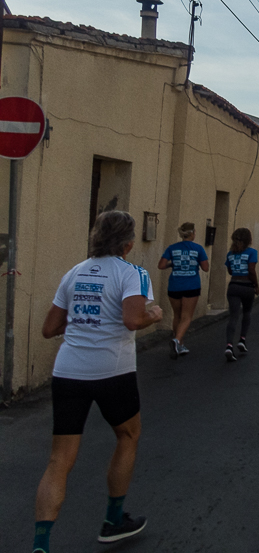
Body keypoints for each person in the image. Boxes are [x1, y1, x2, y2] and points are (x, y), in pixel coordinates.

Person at [32, 211, 163, 552]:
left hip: (69, 370)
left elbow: (49, 329)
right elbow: (133, 320)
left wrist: (81, 319)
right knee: (128, 435)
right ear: (129, 243)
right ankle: (113, 519)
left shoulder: (74, 272)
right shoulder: (133, 273)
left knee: (59, 460)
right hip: (112, 370)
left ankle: (41, 545)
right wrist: (154, 316)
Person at [157, 222, 209, 359]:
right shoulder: (198, 249)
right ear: (192, 233)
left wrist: (172, 264)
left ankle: (180, 344)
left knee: (177, 315)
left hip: (174, 285)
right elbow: (205, 268)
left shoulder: (172, 248)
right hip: (191, 285)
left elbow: (161, 265)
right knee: (187, 317)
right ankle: (177, 341)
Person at [224, 228, 259, 362]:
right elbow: (251, 270)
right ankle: (242, 340)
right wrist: (256, 285)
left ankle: (228, 345)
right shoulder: (252, 252)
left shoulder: (230, 254)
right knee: (247, 312)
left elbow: (230, 270)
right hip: (246, 286)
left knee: (233, 316)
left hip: (233, 286)